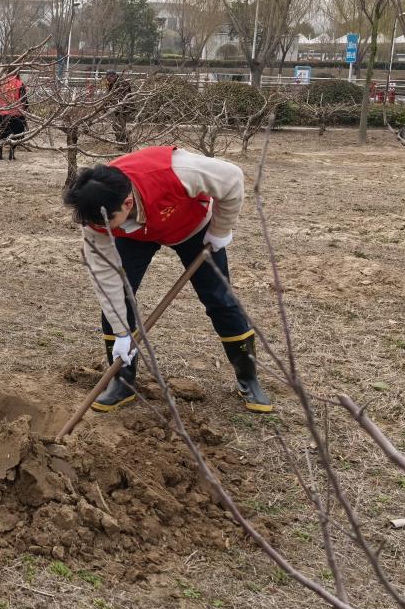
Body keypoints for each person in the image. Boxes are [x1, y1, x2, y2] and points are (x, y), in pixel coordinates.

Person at [62, 145, 273, 414]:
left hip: (192, 227)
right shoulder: (96, 219)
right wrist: (121, 333)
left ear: (126, 204)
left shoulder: (176, 171)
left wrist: (220, 230)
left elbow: (231, 177)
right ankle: (123, 381)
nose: (99, 228)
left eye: (104, 223)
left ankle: (248, 378)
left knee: (220, 299)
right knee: (118, 301)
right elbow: (107, 279)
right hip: (134, 236)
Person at [0, 69, 28, 160]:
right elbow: (24, 99)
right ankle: (11, 154)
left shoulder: (0, 83)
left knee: (0, 133)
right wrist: (26, 108)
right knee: (16, 134)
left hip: (1, 112)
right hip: (16, 114)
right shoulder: (20, 83)